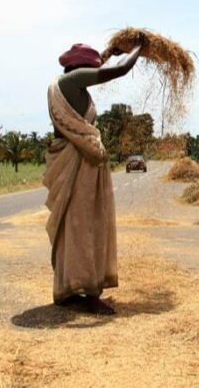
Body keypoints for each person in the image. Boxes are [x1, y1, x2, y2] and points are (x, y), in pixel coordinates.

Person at [43, 39, 143, 314]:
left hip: (75, 162)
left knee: (73, 228)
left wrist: (110, 51)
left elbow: (104, 62)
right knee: (86, 226)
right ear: (80, 67)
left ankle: (69, 288)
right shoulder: (74, 80)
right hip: (78, 163)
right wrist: (140, 49)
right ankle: (88, 293)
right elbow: (119, 71)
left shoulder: (67, 83)